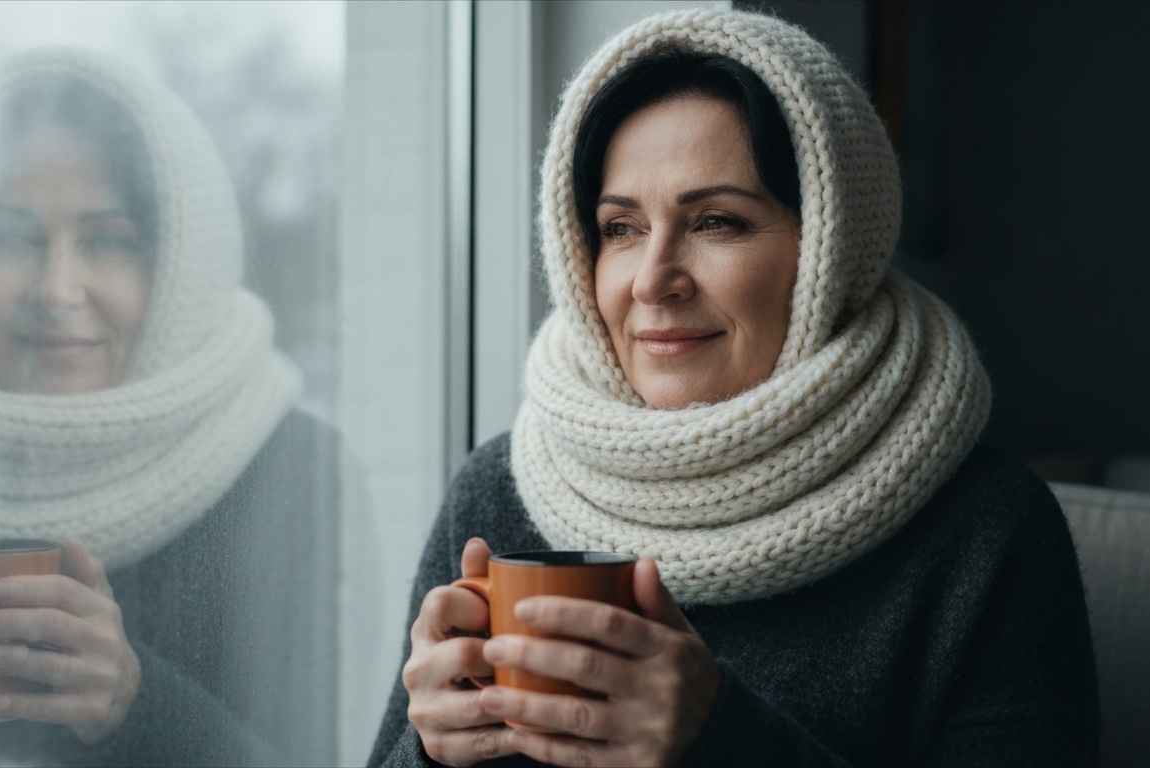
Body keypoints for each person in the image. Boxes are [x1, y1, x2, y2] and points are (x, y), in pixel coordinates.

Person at [370, 8, 1097, 768]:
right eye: (620, 228)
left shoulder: (986, 535)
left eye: (717, 221)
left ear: (832, 248)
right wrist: (432, 750)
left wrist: (718, 740)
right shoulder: (498, 494)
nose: (653, 280)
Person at [0, 49, 337, 767]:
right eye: (13, 237)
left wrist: (132, 706)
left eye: (107, 241)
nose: (56, 289)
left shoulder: (297, 478)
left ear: (180, 265)